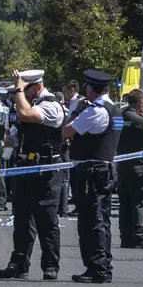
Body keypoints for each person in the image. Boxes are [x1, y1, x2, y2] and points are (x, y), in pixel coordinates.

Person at [0, 69, 64, 281]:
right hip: (25, 167)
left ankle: (50, 265)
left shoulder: (51, 105)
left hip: (46, 170)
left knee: (46, 219)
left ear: (37, 86)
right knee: (22, 220)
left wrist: (18, 90)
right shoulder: (30, 103)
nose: (20, 95)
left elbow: (26, 114)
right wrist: (12, 139)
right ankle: (18, 265)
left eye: (24, 90)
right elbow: (21, 124)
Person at [62, 70, 123, 283]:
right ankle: (103, 264)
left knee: (91, 221)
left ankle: (97, 268)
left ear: (90, 89)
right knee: (102, 221)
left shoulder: (94, 111)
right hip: (105, 170)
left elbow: (66, 132)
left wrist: (75, 112)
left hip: (91, 172)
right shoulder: (115, 110)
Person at [117, 89, 143, 249]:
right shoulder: (142, 121)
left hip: (122, 166)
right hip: (139, 167)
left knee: (124, 203)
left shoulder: (119, 117)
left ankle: (125, 237)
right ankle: (138, 237)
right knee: (139, 203)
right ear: (141, 103)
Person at [63, 80, 84, 217]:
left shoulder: (80, 102)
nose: (64, 93)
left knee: (77, 177)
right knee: (74, 176)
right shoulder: (73, 103)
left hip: (78, 142)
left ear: (72, 89)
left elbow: (76, 122)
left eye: (66, 90)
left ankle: (79, 204)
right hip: (72, 142)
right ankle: (77, 200)